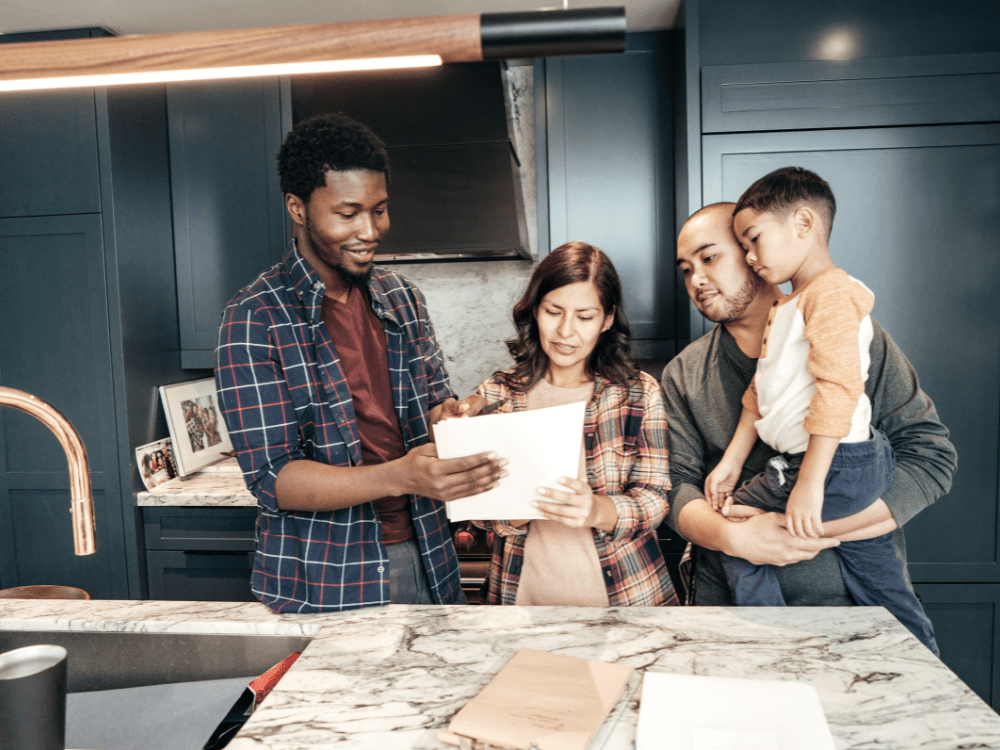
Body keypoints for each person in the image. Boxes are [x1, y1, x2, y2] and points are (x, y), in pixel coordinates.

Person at [215, 112, 505, 613]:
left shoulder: (403, 298)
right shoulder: (254, 318)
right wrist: (400, 476)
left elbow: (434, 403)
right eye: (348, 214)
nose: (370, 230)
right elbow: (273, 479)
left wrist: (450, 418)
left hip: (430, 553)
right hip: (328, 576)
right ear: (298, 208)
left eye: (380, 210)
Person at [662, 201, 956, 653]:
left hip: (855, 617)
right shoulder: (684, 373)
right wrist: (733, 537)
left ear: (753, 250)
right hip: (728, 619)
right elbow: (676, 487)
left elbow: (930, 458)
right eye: (685, 269)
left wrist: (810, 529)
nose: (695, 280)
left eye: (709, 257)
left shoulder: (849, 329)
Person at [465, 242, 678, 606]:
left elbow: (656, 499)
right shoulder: (497, 393)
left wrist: (597, 510)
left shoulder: (638, 393)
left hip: (629, 607)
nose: (566, 331)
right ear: (534, 309)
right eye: (553, 311)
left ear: (607, 319)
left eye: (584, 316)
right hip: (520, 604)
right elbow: (476, 508)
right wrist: (508, 513)